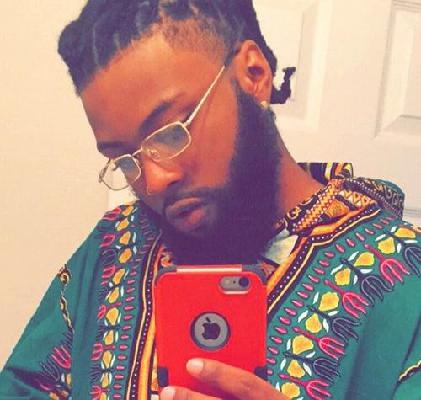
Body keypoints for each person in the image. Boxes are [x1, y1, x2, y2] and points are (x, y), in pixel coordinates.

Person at [1, 1, 420, 399]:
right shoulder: (115, 245)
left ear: (253, 75)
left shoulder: (403, 279)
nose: (154, 181)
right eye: (124, 159)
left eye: (171, 133)